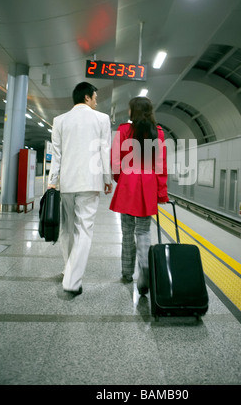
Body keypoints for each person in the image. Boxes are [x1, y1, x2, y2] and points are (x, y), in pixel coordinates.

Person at [48, 82, 112, 296]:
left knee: (67, 228)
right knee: (84, 229)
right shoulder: (102, 119)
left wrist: (52, 180)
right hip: (90, 182)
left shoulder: (59, 121)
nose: (96, 102)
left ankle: (68, 269)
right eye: (95, 98)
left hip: (67, 183)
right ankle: (72, 281)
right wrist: (107, 178)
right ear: (86, 97)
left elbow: (56, 155)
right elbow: (104, 151)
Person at [110, 96, 169, 295]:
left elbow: (115, 161)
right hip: (148, 185)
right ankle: (145, 266)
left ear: (132, 112)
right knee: (143, 231)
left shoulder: (123, 131)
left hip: (128, 183)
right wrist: (161, 192)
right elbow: (161, 165)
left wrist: (122, 178)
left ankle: (127, 272)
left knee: (127, 232)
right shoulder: (158, 132)